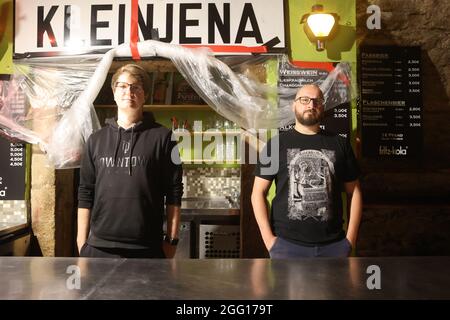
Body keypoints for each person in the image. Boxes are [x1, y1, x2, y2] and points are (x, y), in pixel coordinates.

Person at [77, 64, 183, 258]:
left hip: (148, 248)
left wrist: (172, 240)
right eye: (123, 86)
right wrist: (81, 243)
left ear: (145, 95)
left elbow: (174, 192)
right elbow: (85, 191)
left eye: (136, 87)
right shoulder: (95, 140)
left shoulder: (165, 138)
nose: (129, 91)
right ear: (114, 92)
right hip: (99, 248)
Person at [251, 84, 362, 258]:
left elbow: (354, 192)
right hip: (286, 246)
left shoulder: (340, 144)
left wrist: (350, 240)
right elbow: (257, 192)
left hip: (334, 246)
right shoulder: (275, 144)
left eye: (316, 101)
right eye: (305, 100)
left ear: (322, 106)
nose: (311, 105)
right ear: (293, 105)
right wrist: (269, 240)